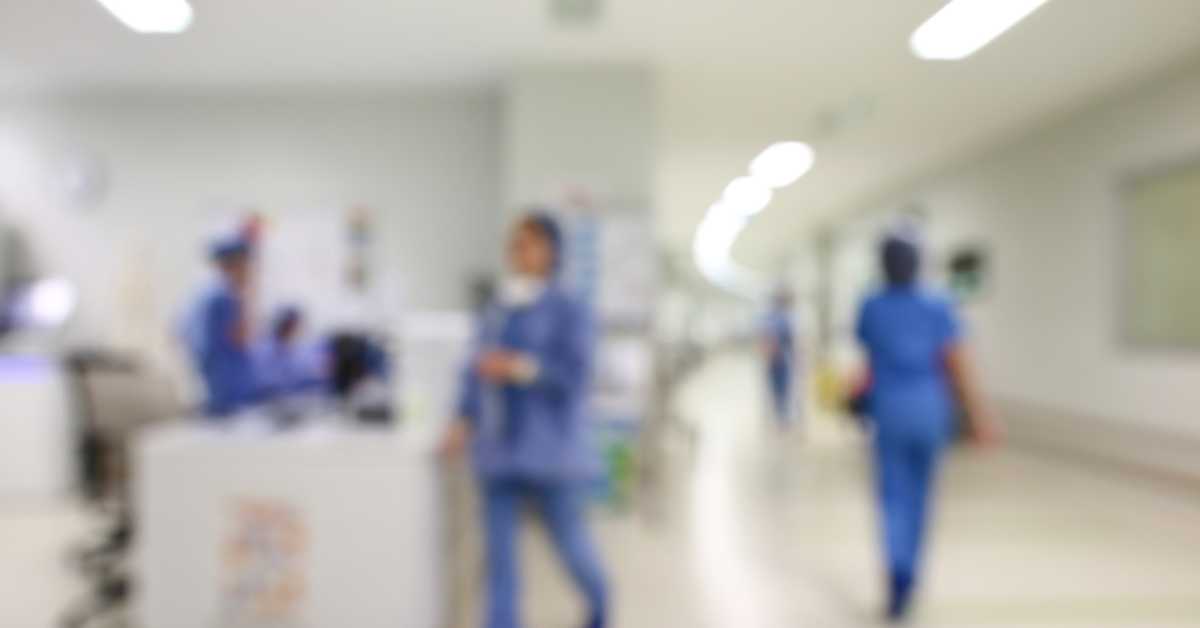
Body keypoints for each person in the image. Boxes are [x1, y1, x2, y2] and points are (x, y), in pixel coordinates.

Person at [442, 212, 608, 628]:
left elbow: (575, 376)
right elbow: (473, 369)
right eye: (514, 244)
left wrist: (521, 368)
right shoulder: (496, 308)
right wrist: (461, 419)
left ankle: (601, 604)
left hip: (551, 454)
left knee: (573, 551)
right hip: (498, 454)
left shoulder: (569, 309)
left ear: (551, 251)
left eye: (529, 243)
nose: (519, 252)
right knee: (501, 568)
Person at [855, 227, 999, 622]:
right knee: (920, 496)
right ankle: (911, 572)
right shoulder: (938, 304)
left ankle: (897, 572)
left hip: (889, 410)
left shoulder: (871, 305)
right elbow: (958, 363)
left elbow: (868, 360)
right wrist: (980, 417)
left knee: (893, 497)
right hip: (929, 409)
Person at [185, 235, 258, 418]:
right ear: (233, 266)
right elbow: (238, 339)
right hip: (226, 393)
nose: (249, 272)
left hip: (217, 388)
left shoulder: (207, 294)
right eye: (246, 266)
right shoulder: (223, 298)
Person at [253, 305, 324, 401]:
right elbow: (265, 381)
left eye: (295, 325)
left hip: (297, 400)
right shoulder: (265, 348)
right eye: (289, 325)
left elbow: (306, 377)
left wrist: (317, 375)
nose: (292, 329)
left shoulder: (302, 349)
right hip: (267, 401)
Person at [760, 288, 798, 428]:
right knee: (781, 390)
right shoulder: (783, 318)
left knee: (778, 390)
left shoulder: (770, 318)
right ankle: (781, 418)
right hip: (780, 360)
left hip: (775, 360)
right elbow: (790, 339)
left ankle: (779, 416)